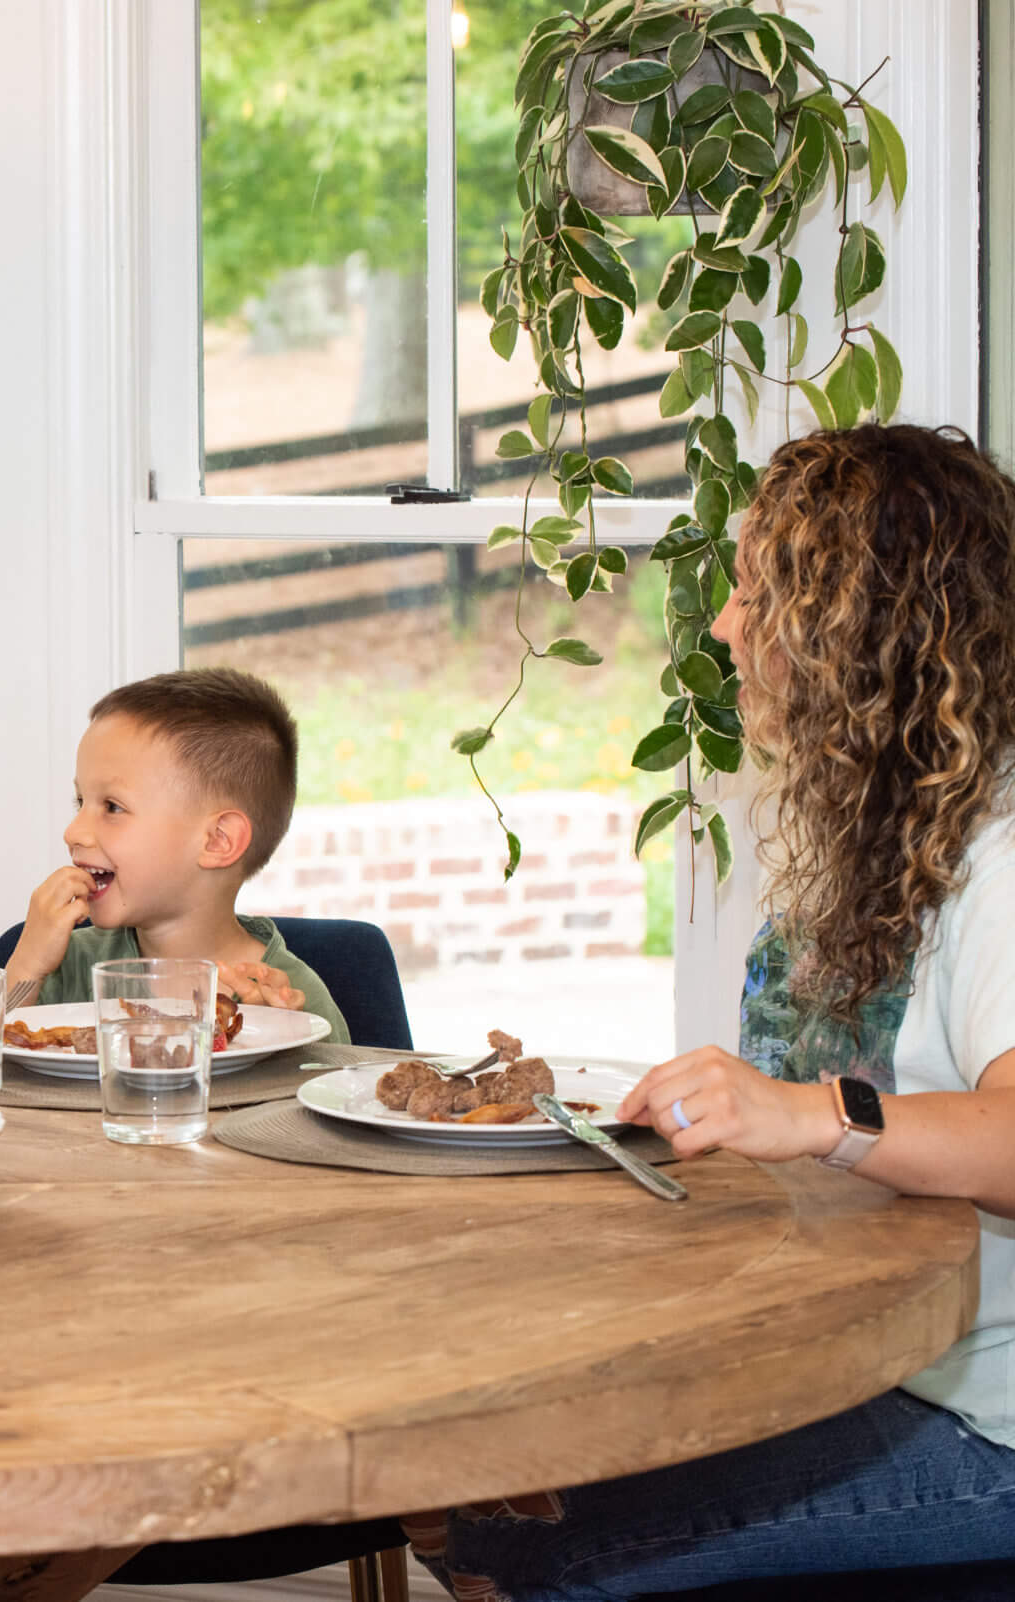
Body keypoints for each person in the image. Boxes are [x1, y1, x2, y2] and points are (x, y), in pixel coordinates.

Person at [410, 424, 1015, 1599]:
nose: (727, 627)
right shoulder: (882, 823)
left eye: (755, 594)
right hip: (877, 1361)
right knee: (499, 1473)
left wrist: (811, 1114)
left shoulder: (1000, 853)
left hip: (987, 1425)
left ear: (859, 629)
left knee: (538, 1544)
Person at [1, 667, 348, 1040]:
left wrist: (277, 1041)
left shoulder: (294, 1003)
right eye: (80, 801)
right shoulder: (63, 963)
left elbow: (334, 1078)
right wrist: (26, 967)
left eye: (113, 807)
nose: (73, 832)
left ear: (217, 840)